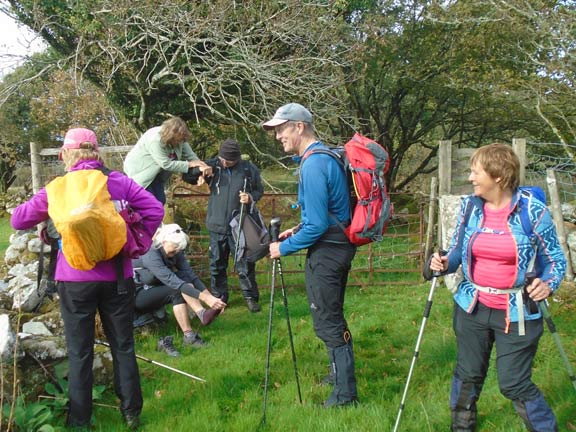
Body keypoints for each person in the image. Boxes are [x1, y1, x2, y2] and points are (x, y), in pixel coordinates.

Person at [11, 128, 164, 430]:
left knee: (79, 351)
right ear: (96, 153)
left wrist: (52, 220)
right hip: (118, 277)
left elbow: (17, 219)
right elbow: (155, 209)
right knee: (123, 346)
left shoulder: (57, 188)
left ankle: (79, 420)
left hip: (74, 279)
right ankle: (131, 413)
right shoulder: (117, 182)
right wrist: (136, 240)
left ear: (66, 154)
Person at [428, 143, 566, 431]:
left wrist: (548, 284)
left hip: (517, 312)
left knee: (513, 382)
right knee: (467, 374)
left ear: (498, 176)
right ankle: (461, 427)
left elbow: (555, 260)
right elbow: (455, 252)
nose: (471, 178)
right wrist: (443, 262)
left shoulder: (533, 212)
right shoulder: (470, 208)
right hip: (472, 306)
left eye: (476, 172)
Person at [264, 103, 358, 407]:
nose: (278, 135)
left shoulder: (314, 164)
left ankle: (345, 396)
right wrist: (296, 229)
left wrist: (283, 248)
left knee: (327, 322)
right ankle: (337, 376)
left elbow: (318, 225)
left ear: (300, 126)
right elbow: (327, 213)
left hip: (328, 252)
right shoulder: (324, 157)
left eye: (282, 128)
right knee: (331, 315)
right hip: (338, 244)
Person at [133, 224, 227, 356]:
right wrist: (205, 298)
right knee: (177, 288)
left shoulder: (174, 250)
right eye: (173, 250)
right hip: (136, 295)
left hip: (154, 289)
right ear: (164, 241)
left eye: (178, 250)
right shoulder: (151, 253)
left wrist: (212, 299)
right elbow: (172, 281)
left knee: (184, 280)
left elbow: (191, 276)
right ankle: (193, 328)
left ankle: (199, 319)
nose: (176, 253)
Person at [201, 138, 264, 312]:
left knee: (244, 263)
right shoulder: (213, 166)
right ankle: (220, 299)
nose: (223, 162)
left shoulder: (248, 169)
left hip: (240, 225)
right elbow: (189, 174)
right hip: (216, 225)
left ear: (236, 159)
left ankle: (250, 297)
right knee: (216, 265)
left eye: (227, 160)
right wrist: (199, 169)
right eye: (221, 159)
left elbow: (259, 190)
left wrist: (250, 197)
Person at [123, 116, 212, 204]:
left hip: (156, 173)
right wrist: (189, 164)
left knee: (160, 201)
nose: (179, 142)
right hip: (141, 172)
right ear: (171, 136)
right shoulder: (155, 140)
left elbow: (192, 157)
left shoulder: (180, 137)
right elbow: (166, 164)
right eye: (177, 140)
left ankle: (153, 217)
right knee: (149, 203)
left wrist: (200, 172)